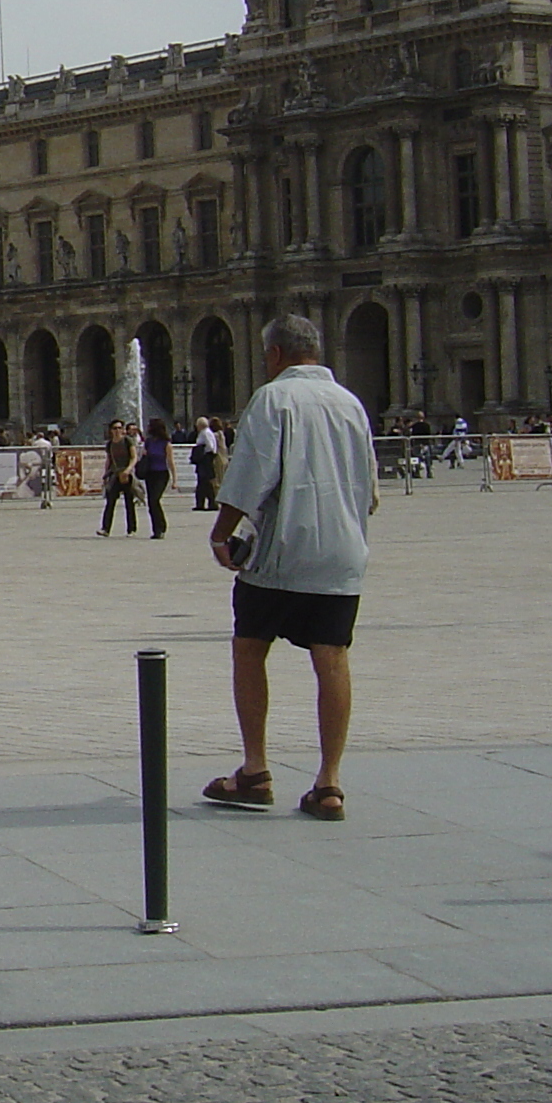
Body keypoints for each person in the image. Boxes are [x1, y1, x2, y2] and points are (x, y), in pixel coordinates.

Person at [201, 315, 378, 824]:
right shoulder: (351, 403)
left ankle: (255, 770)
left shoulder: (272, 399)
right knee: (332, 659)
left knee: (250, 648)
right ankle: (329, 784)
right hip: (342, 553)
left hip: (281, 551)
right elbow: (369, 487)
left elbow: (251, 473)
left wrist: (221, 532)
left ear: (275, 354)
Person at [97, 420, 139, 537]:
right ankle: (105, 528)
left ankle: (132, 529)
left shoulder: (127, 441)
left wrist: (128, 470)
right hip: (115, 474)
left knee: (129, 502)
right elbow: (109, 460)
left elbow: (134, 457)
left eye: (120, 428)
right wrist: (105, 474)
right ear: (111, 430)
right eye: (115, 428)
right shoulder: (110, 444)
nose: (118, 431)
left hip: (126, 474)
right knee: (110, 501)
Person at [135, 416, 175, 540]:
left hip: (161, 473)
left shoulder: (166, 443)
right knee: (151, 502)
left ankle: (161, 526)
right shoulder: (149, 442)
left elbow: (170, 461)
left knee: (154, 499)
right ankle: (156, 529)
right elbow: (143, 455)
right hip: (150, 473)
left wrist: (175, 479)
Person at [190, 417, 224, 511]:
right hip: (205, 461)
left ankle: (209, 503)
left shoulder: (205, 433)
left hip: (205, 461)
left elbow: (210, 447)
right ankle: (204, 503)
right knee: (204, 483)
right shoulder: (207, 432)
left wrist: (203, 453)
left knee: (205, 482)